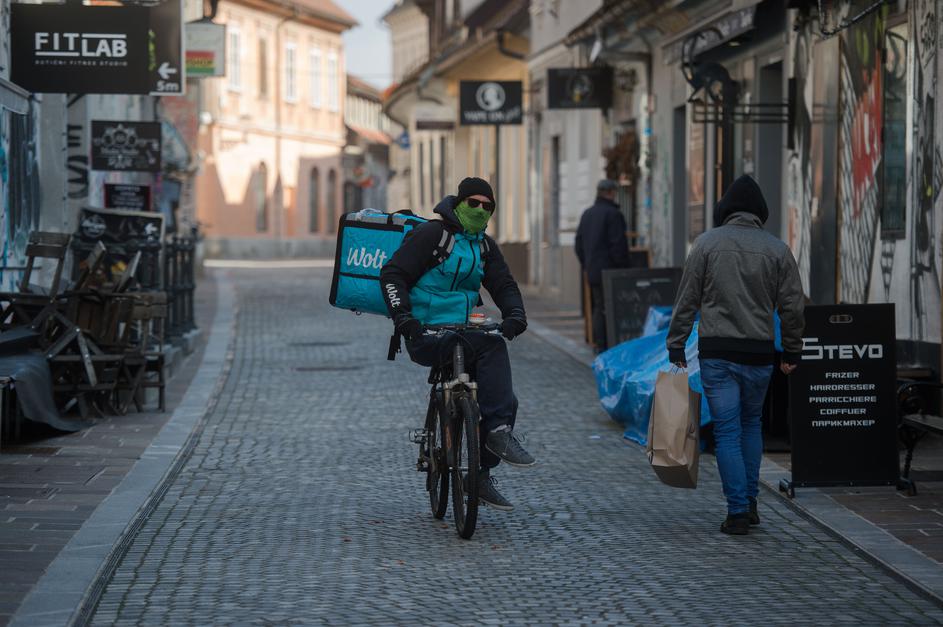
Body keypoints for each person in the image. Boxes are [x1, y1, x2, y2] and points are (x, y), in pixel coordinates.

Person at [379, 177, 535, 512]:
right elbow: (392, 274)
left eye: (487, 206)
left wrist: (515, 315)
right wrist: (404, 319)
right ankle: (496, 431)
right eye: (473, 203)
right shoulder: (433, 236)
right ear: (458, 203)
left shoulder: (484, 246)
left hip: (464, 331)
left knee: (506, 398)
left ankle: (480, 475)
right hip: (425, 333)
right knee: (493, 350)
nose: (480, 210)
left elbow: (503, 284)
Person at [666, 175, 804, 536]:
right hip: (759, 355)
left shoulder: (707, 245)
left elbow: (687, 298)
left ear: (724, 210)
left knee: (727, 430)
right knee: (750, 425)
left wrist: (676, 342)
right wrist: (792, 350)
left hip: (718, 354)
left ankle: (738, 510)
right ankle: (752, 503)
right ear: (761, 213)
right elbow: (792, 308)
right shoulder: (777, 250)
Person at [575, 179, 631, 352]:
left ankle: (600, 344)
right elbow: (618, 245)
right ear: (610, 193)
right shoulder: (613, 214)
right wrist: (623, 267)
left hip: (593, 270)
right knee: (614, 307)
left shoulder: (587, 213)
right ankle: (612, 344)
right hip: (612, 271)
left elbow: (578, 244)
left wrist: (587, 263)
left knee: (599, 307)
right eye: (614, 192)